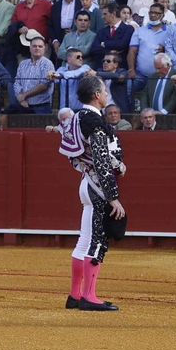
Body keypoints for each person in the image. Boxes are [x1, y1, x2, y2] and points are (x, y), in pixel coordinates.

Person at [57, 74, 126, 311]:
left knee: (84, 240)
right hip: (98, 187)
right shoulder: (94, 121)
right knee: (98, 241)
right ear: (97, 95)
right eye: (104, 91)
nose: (106, 94)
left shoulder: (76, 118)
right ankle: (89, 296)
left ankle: (75, 294)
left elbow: (76, 155)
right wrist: (113, 196)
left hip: (86, 182)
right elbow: (100, 158)